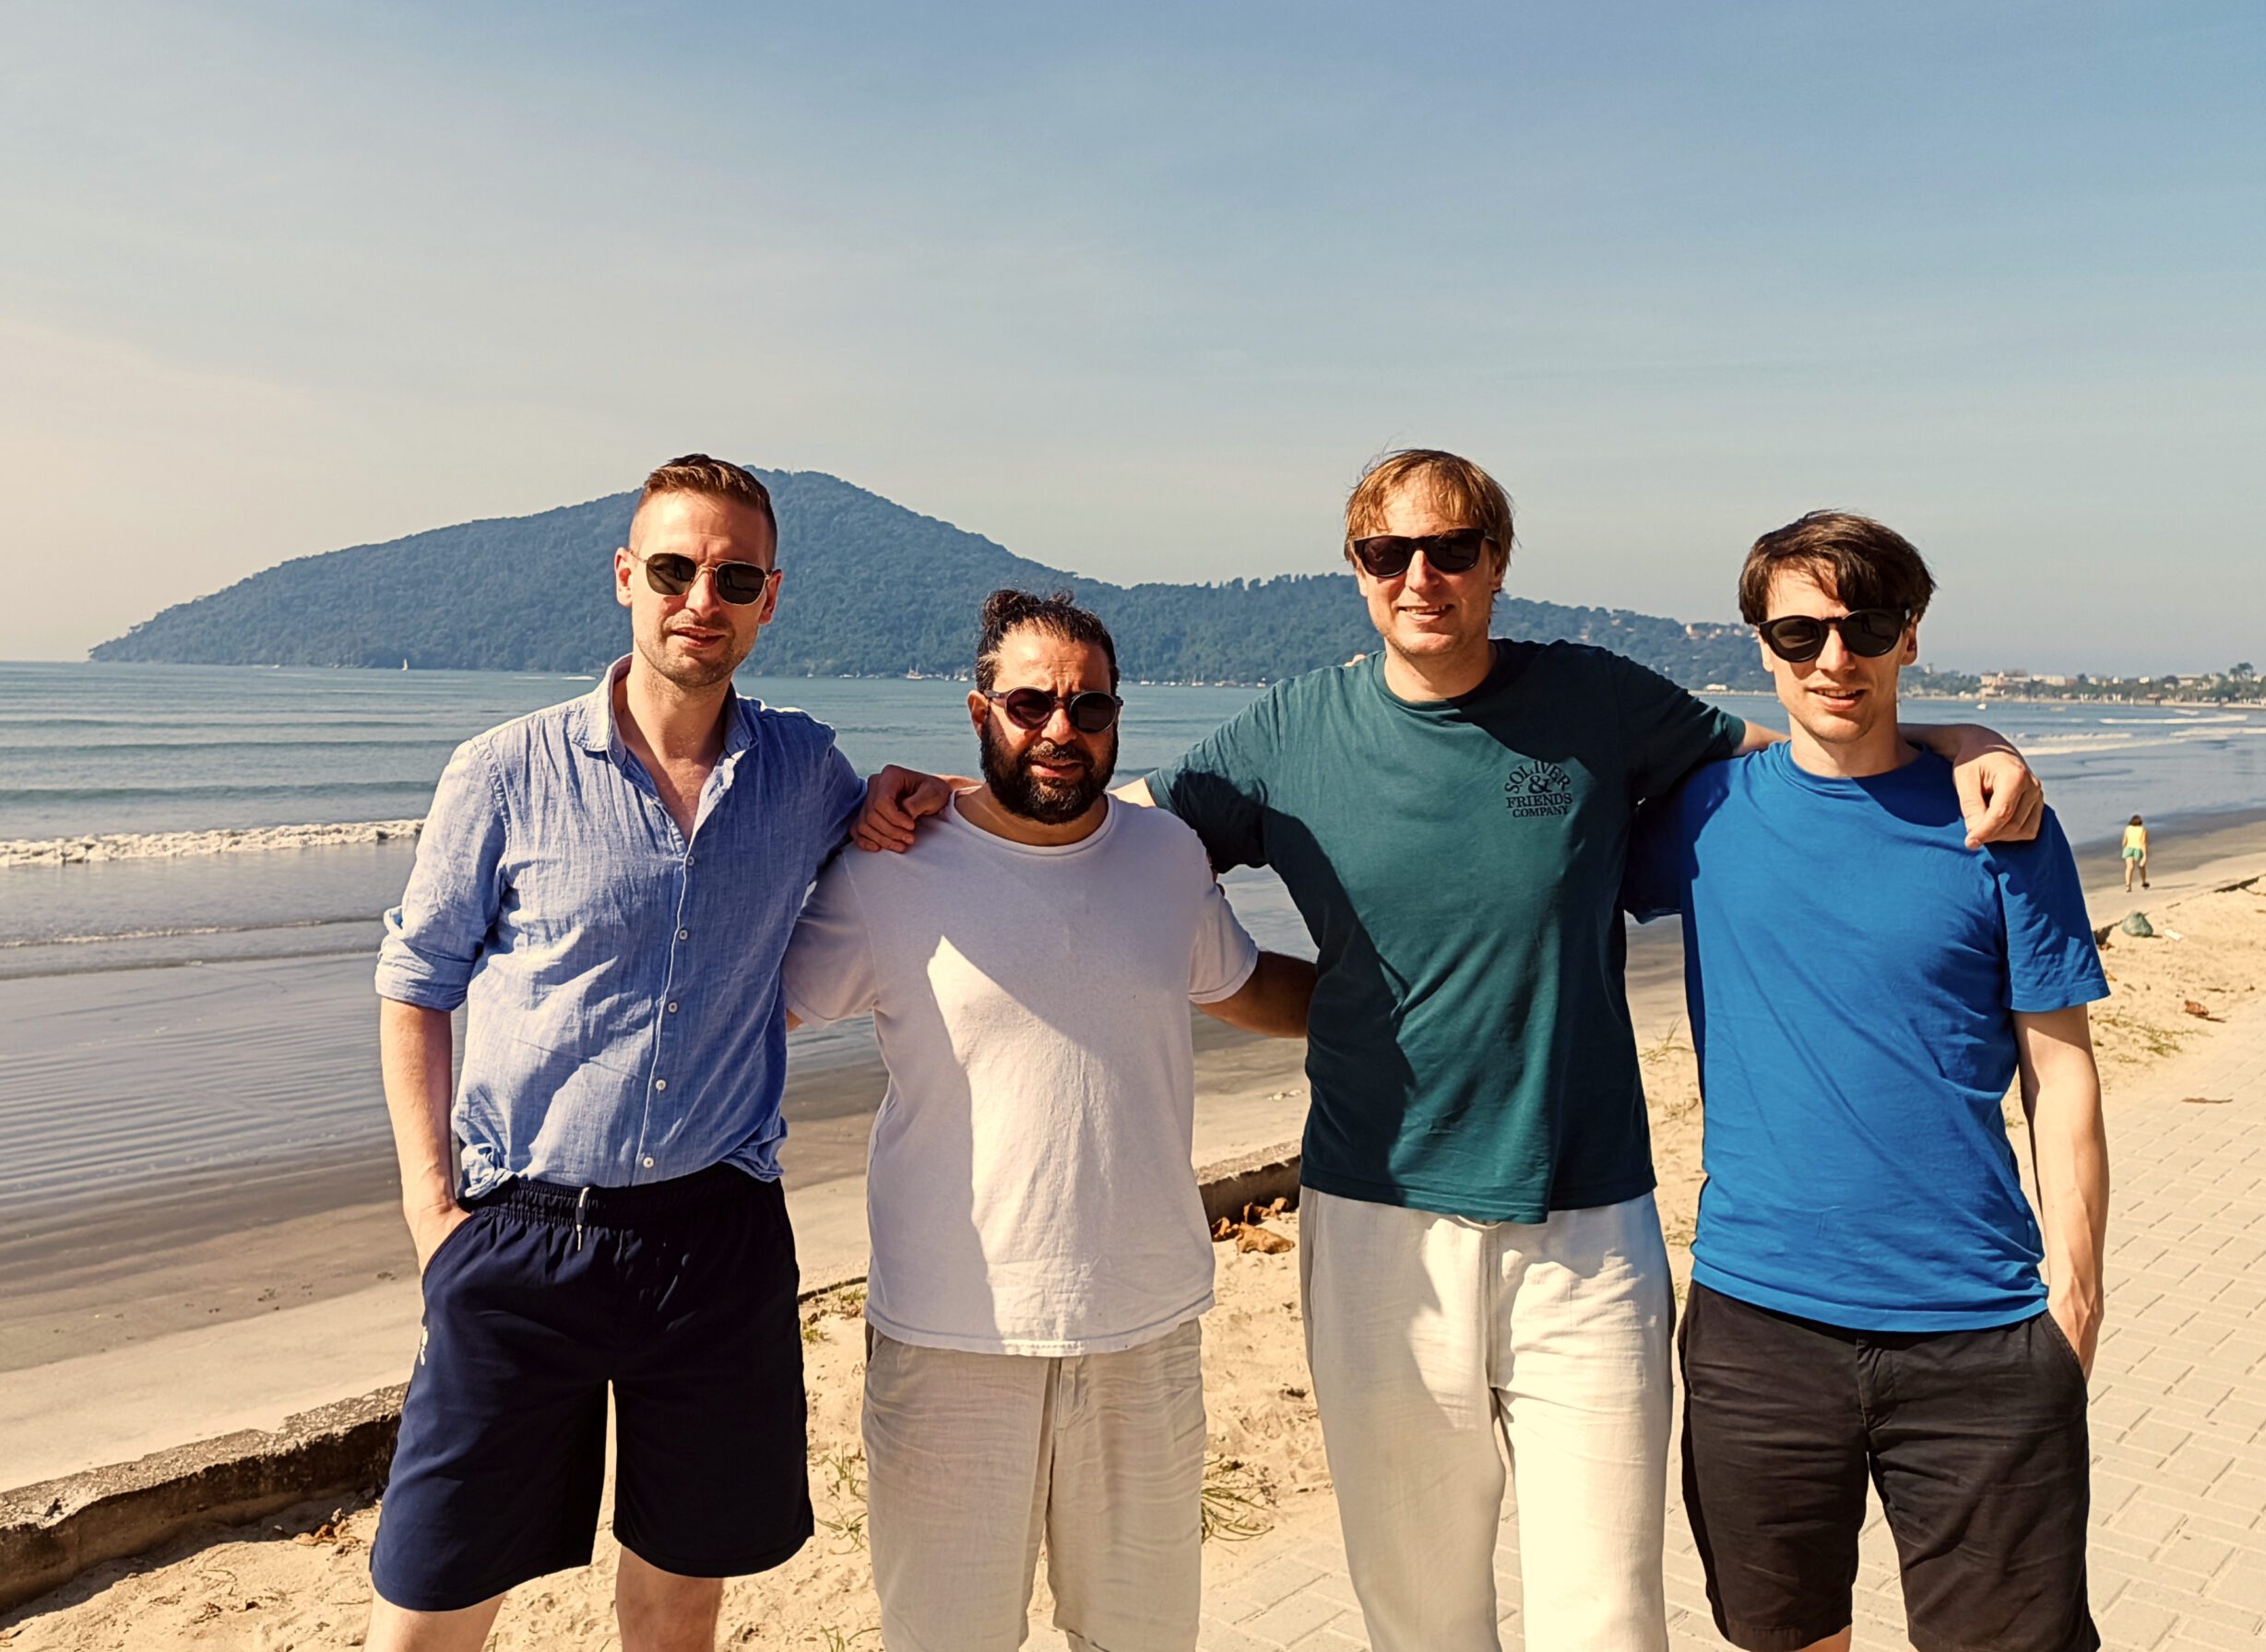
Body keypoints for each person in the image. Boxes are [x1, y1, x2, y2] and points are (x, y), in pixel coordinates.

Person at [860, 450, 2047, 1651]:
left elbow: (1803, 748)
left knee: (1607, 1617)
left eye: (1452, 550)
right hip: (1377, 1224)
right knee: (1421, 1617)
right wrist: (958, 800)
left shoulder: (1593, 701)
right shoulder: (1292, 733)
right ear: (1356, 569)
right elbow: (1095, 839)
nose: (1420, 576)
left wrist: (1963, 738)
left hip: (1587, 1220)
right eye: (1389, 553)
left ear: (1496, 564)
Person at [366, 456, 865, 1652]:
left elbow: (903, 859)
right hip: (521, 1235)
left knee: (679, 1604)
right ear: (627, 577)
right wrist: (431, 1213)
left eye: (733, 578)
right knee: (431, 1604)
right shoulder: (505, 770)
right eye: (676, 569)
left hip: (717, 1243)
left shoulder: (806, 772)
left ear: (769, 599)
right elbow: (415, 984)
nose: (702, 598)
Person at [781, 590, 1314, 1652]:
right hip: (951, 1339)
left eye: (1089, 707)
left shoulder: (1167, 856)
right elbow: (751, 1010)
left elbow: (1243, 984)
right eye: (1030, 705)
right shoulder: (888, 868)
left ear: (1116, 718)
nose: (1061, 730)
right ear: (980, 713)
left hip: (1144, 1331)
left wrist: (1414, 1007)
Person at [1626, 510, 2110, 1652]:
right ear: (1760, 646)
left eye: (1867, 627)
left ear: (1910, 635)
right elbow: (1521, 847)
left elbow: (2061, 1070)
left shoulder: (1999, 825)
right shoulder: (1701, 815)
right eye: (1799, 634)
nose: (1833, 658)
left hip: (1981, 1330)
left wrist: (2077, 1302)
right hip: (1757, 1330)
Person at [2124, 812, 2151, 890]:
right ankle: (2143, 882)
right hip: (2138, 848)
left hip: (2129, 848)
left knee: (2129, 867)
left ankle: (2128, 885)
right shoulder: (2142, 830)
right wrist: (2145, 854)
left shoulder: (2128, 829)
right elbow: (2143, 842)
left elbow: (2124, 841)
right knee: (2142, 866)